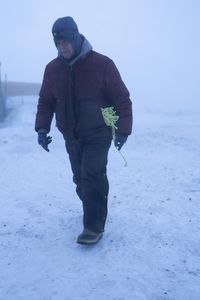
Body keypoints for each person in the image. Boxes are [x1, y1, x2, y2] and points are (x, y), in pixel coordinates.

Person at [35, 16, 132, 245]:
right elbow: (46, 101)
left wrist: (123, 131)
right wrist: (41, 128)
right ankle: (92, 206)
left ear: (76, 37)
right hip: (71, 134)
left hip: (98, 133)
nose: (62, 47)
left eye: (66, 41)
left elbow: (122, 100)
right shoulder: (52, 69)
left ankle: (93, 226)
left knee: (92, 175)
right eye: (57, 43)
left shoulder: (102, 64)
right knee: (80, 178)